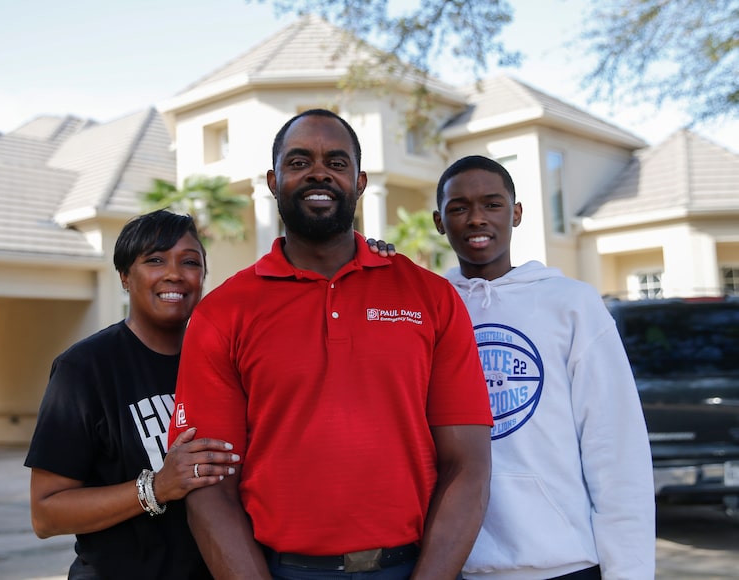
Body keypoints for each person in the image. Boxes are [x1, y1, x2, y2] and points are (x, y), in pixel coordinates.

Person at [168, 109, 494, 580]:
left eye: (336, 162)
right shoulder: (223, 312)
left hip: (412, 568)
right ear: (273, 180)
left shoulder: (430, 297)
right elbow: (207, 483)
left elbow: (468, 466)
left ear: (359, 182)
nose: (319, 172)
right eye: (299, 162)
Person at [432, 155, 655, 579]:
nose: (476, 218)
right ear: (439, 221)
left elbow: (615, 446)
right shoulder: (429, 307)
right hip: (459, 564)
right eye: (458, 207)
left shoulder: (571, 303)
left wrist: (630, 570)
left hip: (564, 561)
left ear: (516, 214)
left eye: (492, 204)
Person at [24, 210, 241, 579]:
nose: (174, 273)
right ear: (125, 276)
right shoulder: (85, 368)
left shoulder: (227, 361)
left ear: (203, 277)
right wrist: (157, 487)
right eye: (155, 260)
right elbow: (46, 514)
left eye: (190, 262)